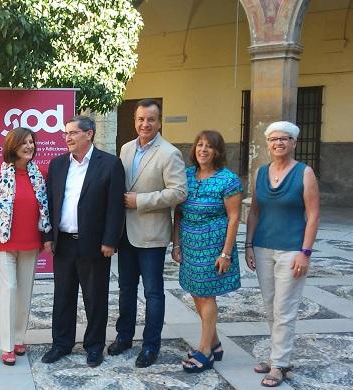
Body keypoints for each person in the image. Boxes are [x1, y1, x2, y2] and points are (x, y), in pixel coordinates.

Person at [41, 115, 125, 368]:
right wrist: (48, 236)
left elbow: (115, 208)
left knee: (95, 297)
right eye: (65, 133)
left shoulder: (110, 164)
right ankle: (61, 344)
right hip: (63, 242)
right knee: (63, 297)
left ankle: (94, 346)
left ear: (89, 134)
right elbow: (49, 203)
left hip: (94, 244)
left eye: (73, 133)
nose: (67, 138)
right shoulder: (57, 165)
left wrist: (110, 241)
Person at [111, 99, 188, 368]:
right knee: (125, 289)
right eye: (141, 119)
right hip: (126, 233)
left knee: (153, 293)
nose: (145, 124)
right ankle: (124, 336)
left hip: (152, 234)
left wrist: (140, 200)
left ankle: (150, 345)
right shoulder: (126, 148)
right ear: (135, 121)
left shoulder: (169, 153)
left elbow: (179, 192)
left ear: (159, 122)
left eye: (151, 120)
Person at [245, 121, 320, 387]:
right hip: (263, 247)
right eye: (274, 139)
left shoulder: (304, 173)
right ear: (267, 144)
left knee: (284, 308)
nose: (279, 143)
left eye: (285, 139)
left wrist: (306, 252)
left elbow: (312, 215)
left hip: (292, 250)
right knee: (269, 306)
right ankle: (278, 355)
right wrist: (249, 245)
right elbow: (254, 211)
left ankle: (279, 364)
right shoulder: (261, 173)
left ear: (294, 143)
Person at [171, 130, 242, 373]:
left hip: (214, 246)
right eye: (199, 145)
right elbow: (178, 213)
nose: (203, 150)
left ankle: (205, 351)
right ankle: (215, 343)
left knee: (206, 294)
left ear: (218, 152)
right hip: (190, 245)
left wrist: (226, 253)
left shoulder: (228, 179)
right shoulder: (187, 175)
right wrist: (177, 243)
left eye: (209, 147)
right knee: (196, 292)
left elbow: (234, 218)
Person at [0, 127, 51, 366]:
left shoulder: (40, 173)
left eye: (32, 142)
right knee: (9, 289)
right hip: (4, 242)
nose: (29, 146)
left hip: (31, 242)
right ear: (13, 146)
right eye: (24, 143)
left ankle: (20, 338)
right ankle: (7, 345)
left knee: (25, 292)